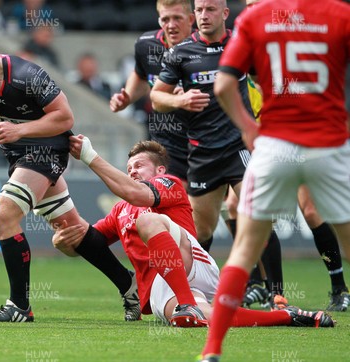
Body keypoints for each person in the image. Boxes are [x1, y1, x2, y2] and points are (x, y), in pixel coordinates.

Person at [0, 38, 141, 322]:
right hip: (17, 157)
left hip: (47, 149)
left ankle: (19, 305)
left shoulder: (27, 76)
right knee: (73, 231)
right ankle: (131, 286)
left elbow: (65, 118)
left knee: (3, 214)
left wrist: (21, 131)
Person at [54, 136, 333, 329]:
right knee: (199, 320)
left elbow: (136, 195)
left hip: (192, 259)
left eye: (139, 166)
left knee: (149, 222)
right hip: (163, 286)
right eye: (129, 168)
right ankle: (286, 316)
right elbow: (90, 243)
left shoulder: (169, 183)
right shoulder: (119, 211)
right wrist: (65, 241)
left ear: (160, 169)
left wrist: (90, 157)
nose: (133, 171)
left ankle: (188, 303)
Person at [200, 0, 350, 360]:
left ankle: (211, 350)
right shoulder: (340, 13)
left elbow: (223, 86)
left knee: (246, 247)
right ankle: (339, 288)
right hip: (328, 144)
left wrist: (249, 128)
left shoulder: (255, 17)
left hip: (275, 145)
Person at [149, 0, 285, 302]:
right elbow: (157, 96)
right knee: (202, 229)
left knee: (257, 212)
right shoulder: (180, 53)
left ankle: (278, 296)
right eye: (199, 10)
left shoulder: (242, 44)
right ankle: (192, 292)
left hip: (239, 148)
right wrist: (180, 102)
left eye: (210, 10)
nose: (203, 16)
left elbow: (267, 82)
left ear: (225, 13)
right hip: (202, 153)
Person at [109, 0, 194, 185]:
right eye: (165, 19)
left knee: (221, 206)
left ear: (191, 19)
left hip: (202, 140)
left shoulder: (205, 48)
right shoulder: (146, 45)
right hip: (166, 143)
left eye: (177, 18)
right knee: (173, 199)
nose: (171, 25)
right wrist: (128, 97)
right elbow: (140, 74)